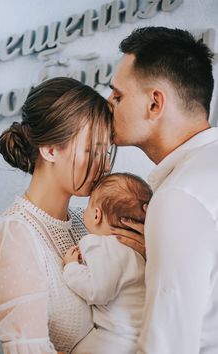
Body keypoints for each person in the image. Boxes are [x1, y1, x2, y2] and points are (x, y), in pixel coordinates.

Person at [0, 76, 121, 354]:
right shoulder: (15, 236)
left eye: (106, 152)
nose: (105, 165)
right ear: (50, 149)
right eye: (92, 151)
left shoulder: (89, 222)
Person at [108, 26, 218, 354]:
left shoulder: (178, 196)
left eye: (118, 96)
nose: (109, 104)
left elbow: (167, 346)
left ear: (155, 103)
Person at [62, 172, 152, 354]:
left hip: (114, 338)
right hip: (141, 336)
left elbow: (98, 291)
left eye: (87, 207)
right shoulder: (139, 251)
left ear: (97, 215)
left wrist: (71, 267)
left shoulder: (99, 244)